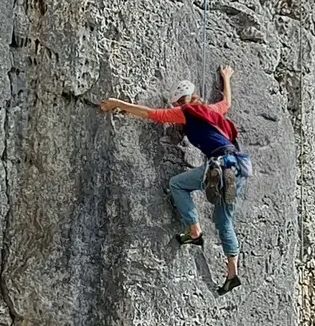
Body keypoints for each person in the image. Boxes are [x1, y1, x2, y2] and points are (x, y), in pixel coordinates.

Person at [98, 65, 246, 294]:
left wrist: (118, 103)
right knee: (224, 219)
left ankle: (195, 232)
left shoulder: (185, 111)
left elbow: (151, 114)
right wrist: (226, 77)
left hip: (220, 163)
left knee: (177, 184)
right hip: (238, 166)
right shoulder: (210, 110)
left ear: (179, 102)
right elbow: (226, 102)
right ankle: (232, 273)